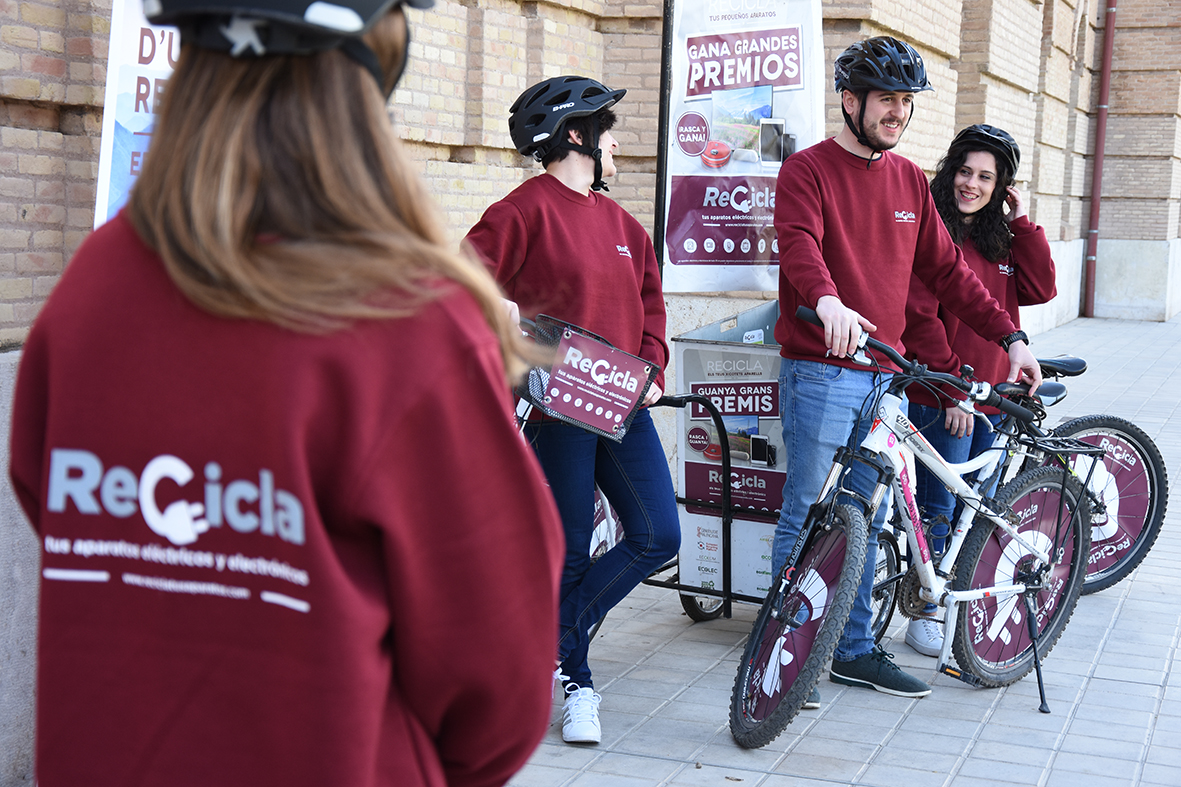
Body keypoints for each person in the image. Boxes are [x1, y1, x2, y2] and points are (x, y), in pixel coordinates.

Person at [8, 1, 565, 785]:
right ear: (367, 85)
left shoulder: (91, 286)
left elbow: (45, 495)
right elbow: (499, 676)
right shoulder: (406, 319)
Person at [771, 36, 1042, 705]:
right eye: (885, 100)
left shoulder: (905, 182)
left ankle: (853, 649)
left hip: (884, 377)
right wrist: (826, 299)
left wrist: (1011, 337)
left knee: (866, 512)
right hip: (822, 370)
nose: (896, 112)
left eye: (904, 102)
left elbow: (947, 273)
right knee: (811, 510)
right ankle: (789, 653)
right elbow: (798, 244)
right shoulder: (806, 171)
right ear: (849, 100)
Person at [464, 75, 679, 746]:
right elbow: (460, 278)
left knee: (657, 535)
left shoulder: (621, 224)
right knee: (567, 553)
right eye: (608, 129)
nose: (618, 142)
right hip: (556, 409)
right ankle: (578, 682)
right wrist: (499, 313)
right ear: (577, 135)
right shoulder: (522, 210)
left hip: (623, 404)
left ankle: (552, 641)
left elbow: (651, 306)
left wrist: (653, 369)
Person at [900, 124, 1057, 657]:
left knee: (977, 508)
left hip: (995, 395)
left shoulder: (1001, 239)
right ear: (950, 173)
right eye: (965, 172)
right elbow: (921, 317)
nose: (971, 184)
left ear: (1001, 186)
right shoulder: (934, 232)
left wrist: (1023, 221)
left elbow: (1041, 289)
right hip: (944, 394)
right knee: (938, 506)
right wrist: (953, 391)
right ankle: (924, 608)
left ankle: (953, 597)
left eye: (986, 177)